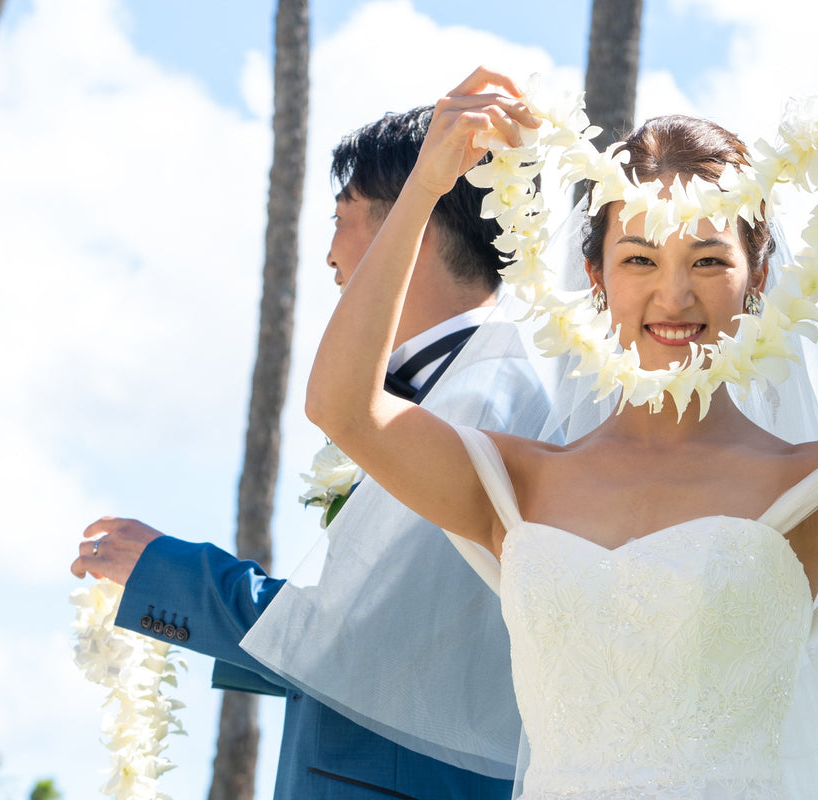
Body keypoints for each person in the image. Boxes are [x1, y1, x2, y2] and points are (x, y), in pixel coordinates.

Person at [291, 66, 818, 799]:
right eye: (639, 259)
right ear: (595, 275)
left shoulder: (808, 488)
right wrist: (425, 188)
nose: (674, 295)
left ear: (757, 275)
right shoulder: (514, 483)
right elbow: (343, 407)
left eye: (708, 260)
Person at [70, 105, 554, 799]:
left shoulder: (482, 399)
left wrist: (166, 572)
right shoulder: (468, 383)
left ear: (406, 228)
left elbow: (361, 639)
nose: (330, 256)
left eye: (339, 220)